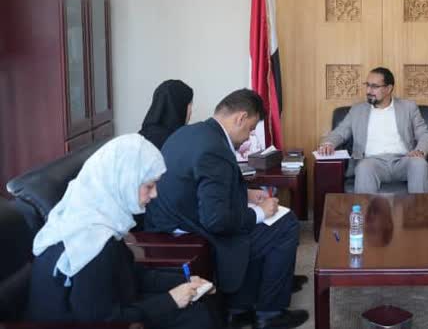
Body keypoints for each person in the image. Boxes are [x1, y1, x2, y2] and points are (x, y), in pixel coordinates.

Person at [144, 89, 307, 329]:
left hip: (170, 219)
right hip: (190, 230)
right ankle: (270, 313)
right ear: (240, 118)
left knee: (263, 225)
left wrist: (246, 194)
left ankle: (241, 307)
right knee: (286, 224)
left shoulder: (189, 132)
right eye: (250, 129)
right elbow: (217, 221)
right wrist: (260, 212)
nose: (248, 137)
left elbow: (197, 185)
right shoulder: (214, 149)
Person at [26, 134, 218, 329]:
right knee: (196, 318)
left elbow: (130, 275)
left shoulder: (101, 218)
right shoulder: (90, 243)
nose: (155, 194)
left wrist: (185, 280)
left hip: (110, 305)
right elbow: (102, 321)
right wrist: (171, 300)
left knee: (199, 308)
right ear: (124, 182)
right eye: (149, 186)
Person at [317, 66, 428, 193]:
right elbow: (340, 132)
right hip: (371, 163)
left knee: (419, 164)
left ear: (389, 88)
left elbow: (424, 135)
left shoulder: (408, 107)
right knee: (364, 168)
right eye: (367, 85)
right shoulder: (357, 110)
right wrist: (329, 144)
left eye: (374, 86)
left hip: (403, 161)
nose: (368, 90)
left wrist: (420, 151)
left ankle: (421, 207)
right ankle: (365, 207)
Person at [139, 79, 194, 150]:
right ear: (179, 106)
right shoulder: (179, 144)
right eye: (190, 105)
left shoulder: (139, 138)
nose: (191, 112)